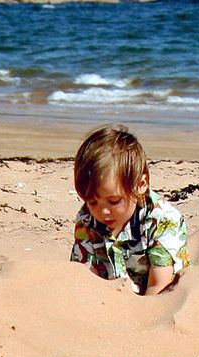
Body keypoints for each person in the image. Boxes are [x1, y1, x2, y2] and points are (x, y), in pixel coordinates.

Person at [68, 124, 190, 294]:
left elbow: (159, 287)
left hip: (156, 297)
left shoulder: (163, 221)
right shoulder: (87, 220)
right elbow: (84, 279)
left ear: (141, 185)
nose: (103, 212)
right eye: (92, 202)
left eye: (114, 201)